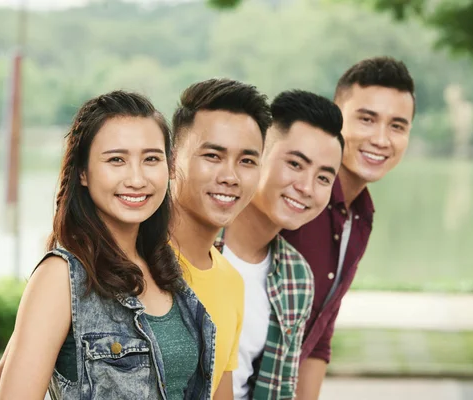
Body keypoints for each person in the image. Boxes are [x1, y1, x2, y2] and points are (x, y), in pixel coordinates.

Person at [0, 90, 215, 400]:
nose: (137, 179)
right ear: (83, 172)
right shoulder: (61, 277)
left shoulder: (166, 268)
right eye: (116, 160)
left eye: (151, 159)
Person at [281, 56, 416, 399]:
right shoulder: (293, 197)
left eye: (397, 126)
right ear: (336, 119)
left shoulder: (360, 217)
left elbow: (318, 335)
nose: (381, 139)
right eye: (367, 119)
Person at [215, 90, 344, 399]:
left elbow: (278, 389)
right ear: (257, 155)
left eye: (324, 178)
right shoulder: (191, 242)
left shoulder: (295, 276)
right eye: (296, 164)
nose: (306, 188)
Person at [169, 78, 272, 399]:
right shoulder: (121, 262)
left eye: (247, 161)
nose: (230, 176)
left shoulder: (231, 281)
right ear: (172, 160)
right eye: (213, 156)